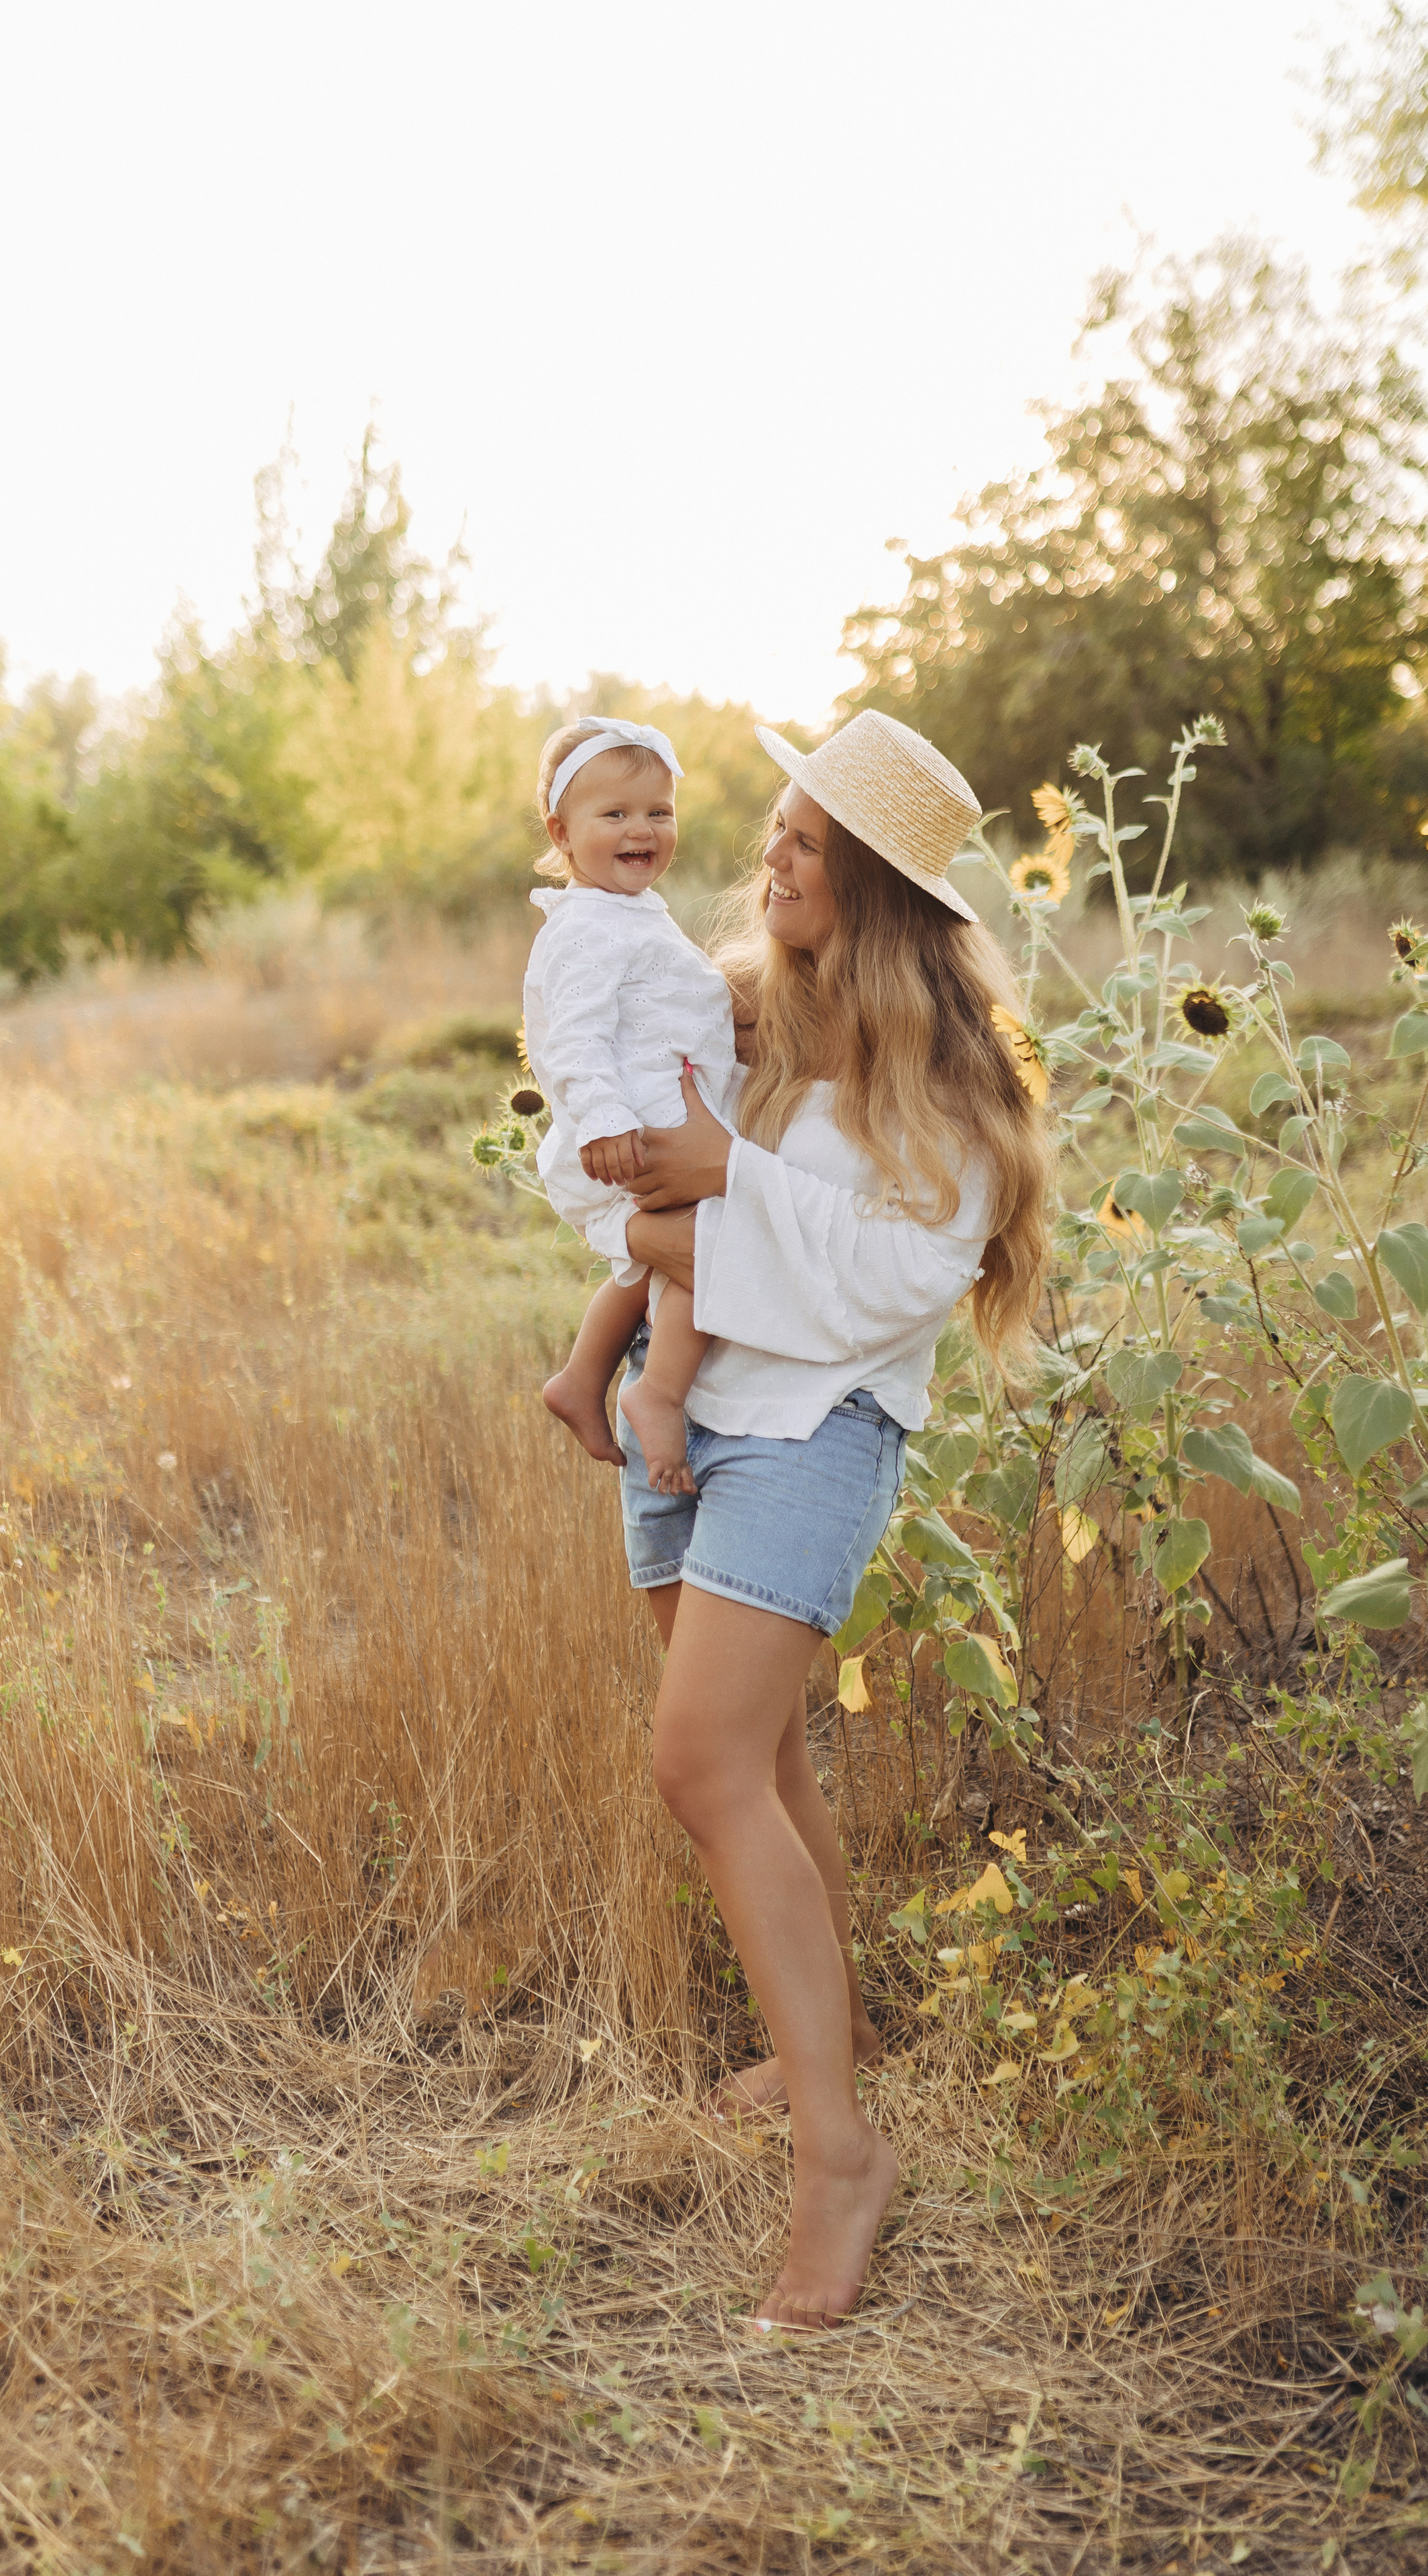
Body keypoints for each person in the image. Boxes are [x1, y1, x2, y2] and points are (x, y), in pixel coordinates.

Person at [617, 710, 1051, 2330]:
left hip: (814, 1432)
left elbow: (899, 1277)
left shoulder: (937, 1079)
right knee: (768, 1758)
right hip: (703, 1417)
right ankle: (826, 2040)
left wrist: (718, 1186)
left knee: (701, 1762)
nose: (768, 856)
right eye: (779, 830)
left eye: (801, 840)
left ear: (867, 880)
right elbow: (627, 1187)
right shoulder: (763, 1019)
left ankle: (837, 2155)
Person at [521, 716, 739, 1494]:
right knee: (701, 1245)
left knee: (653, 1257)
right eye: (614, 815)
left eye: (659, 812)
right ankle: (658, 1392)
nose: (641, 830)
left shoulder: (627, 911)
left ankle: (582, 1376)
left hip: (652, 1116)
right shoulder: (586, 925)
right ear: (562, 830)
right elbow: (574, 1037)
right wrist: (608, 1121)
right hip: (633, 1131)